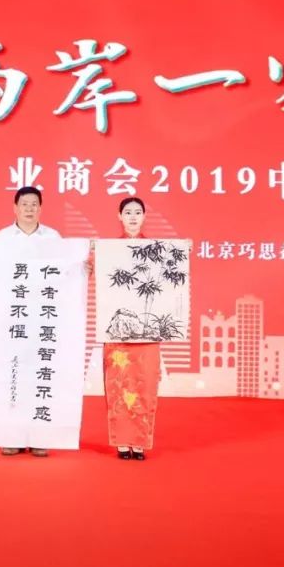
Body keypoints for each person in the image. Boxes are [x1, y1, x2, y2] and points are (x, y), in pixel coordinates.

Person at [0, 186, 60, 457]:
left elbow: (64, 274)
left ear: (40, 208)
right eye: (24, 204)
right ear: (15, 207)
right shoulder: (0, 239)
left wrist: (82, 268)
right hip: (12, 321)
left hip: (42, 320)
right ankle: (11, 435)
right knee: (12, 376)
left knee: (40, 377)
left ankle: (39, 436)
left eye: (34, 204)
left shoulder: (53, 239)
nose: (29, 208)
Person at [102, 197, 162, 461]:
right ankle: (122, 442)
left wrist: (182, 254)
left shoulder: (158, 250)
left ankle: (139, 442)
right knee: (119, 384)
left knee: (145, 384)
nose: (133, 217)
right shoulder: (109, 250)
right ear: (119, 216)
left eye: (138, 212)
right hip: (118, 333)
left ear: (145, 216)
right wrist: (91, 263)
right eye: (128, 212)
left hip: (147, 332)